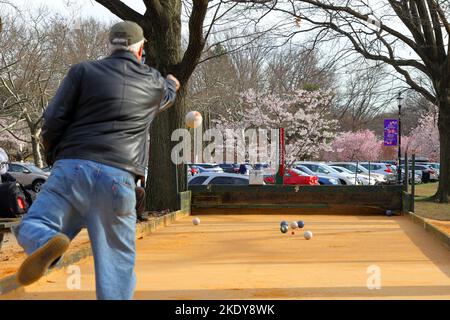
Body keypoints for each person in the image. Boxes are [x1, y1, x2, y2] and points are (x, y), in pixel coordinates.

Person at [13, 21, 180, 300]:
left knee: (34, 223)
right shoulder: (153, 83)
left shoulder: (83, 71)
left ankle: (44, 240)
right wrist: (172, 85)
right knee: (117, 264)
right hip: (118, 179)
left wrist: (55, 155)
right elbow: (166, 97)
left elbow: (53, 120)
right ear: (140, 50)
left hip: (73, 168)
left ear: (110, 46)